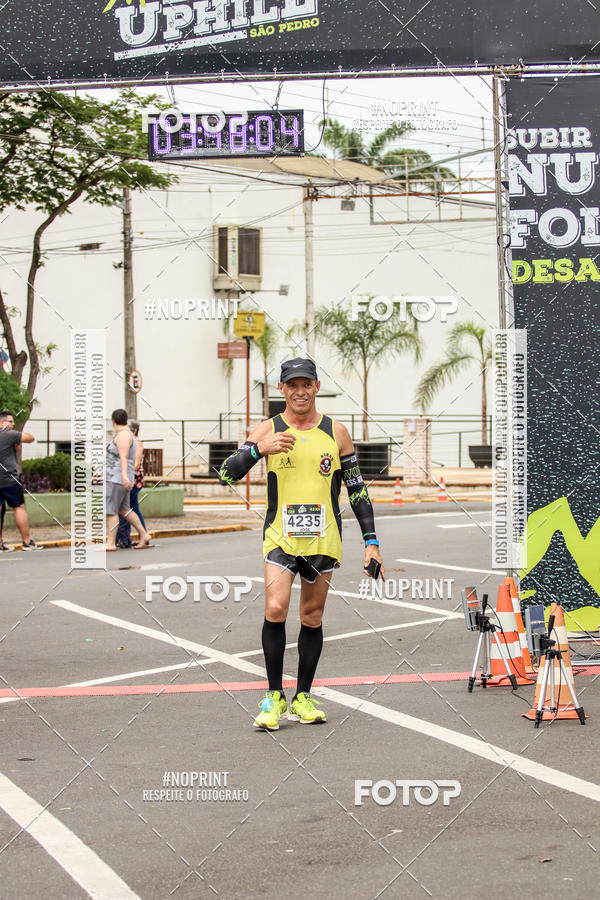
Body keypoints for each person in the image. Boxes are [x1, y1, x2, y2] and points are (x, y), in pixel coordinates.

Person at [219, 358, 384, 730]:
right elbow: (225, 473)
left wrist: (371, 542)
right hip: (280, 535)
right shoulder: (268, 429)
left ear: (316, 387)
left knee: (312, 617)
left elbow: (357, 490)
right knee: (275, 608)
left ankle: (303, 696)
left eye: (305, 384)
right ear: (281, 389)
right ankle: (274, 697)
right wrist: (260, 449)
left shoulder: (337, 432)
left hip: (324, 537)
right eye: (291, 384)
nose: (299, 391)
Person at [106, 409, 152, 551]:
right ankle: (143, 534)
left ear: (113, 421)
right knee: (124, 509)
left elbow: (123, 457)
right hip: (120, 477)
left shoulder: (123, 435)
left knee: (111, 511)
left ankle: (111, 543)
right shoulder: (128, 434)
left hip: (117, 478)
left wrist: (124, 476)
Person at [0, 410, 41, 550]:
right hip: (9, 478)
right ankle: (26, 542)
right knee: (19, 507)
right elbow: (30, 437)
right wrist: (17, 438)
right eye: (10, 421)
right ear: (2, 422)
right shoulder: (8, 434)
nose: (13, 424)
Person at [116, 419, 146, 549]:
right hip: (129, 477)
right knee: (128, 508)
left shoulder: (137, 444)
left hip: (133, 479)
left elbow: (136, 464)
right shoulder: (130, 443)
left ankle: (140, 535)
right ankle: (129, 537)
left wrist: (124, 473)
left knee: (129, 508)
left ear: (134, 431)